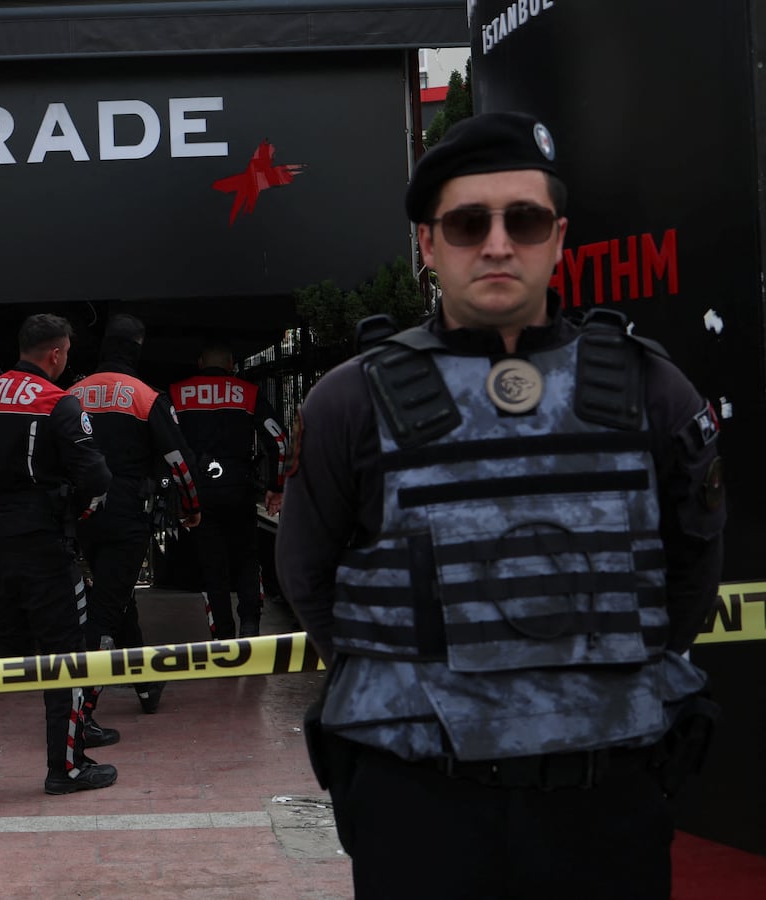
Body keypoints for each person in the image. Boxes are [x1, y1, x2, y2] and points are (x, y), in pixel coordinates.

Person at [276, 112, 725, 900]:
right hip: (420, 801)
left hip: (605, 799)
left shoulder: (652, 390)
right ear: (427, 243)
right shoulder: (351, 402)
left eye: (523, 219)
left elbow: (690, 569)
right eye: (465, 222)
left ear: (558, 237)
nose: (495, 243)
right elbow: (309, 577)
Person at [0, 313, 118, 795]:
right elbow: (96, 479)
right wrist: (76, 513)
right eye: (67, 353)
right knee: (67, 655)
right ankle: (67, 767)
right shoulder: (60, 403)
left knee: (7, 644)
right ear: (55, 353)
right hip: (42, 542)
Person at [69, 313, 201, 715]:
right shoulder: (145, 396)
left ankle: (145, 684)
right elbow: (179, 460)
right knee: (106, 609)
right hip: (128, 513)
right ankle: (80, 711)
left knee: (117, 597)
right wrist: (191, 507)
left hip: (83, 514)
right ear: (137, 348)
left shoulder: (71, 394)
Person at [169, 344, 286, 638]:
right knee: (247, 557)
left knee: (212, 565)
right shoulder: (247, 392)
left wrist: (176, 492)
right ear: (231, 364)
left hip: (199, 491)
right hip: (239, 488)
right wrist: (276, 486)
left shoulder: (176, 393)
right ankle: (250, 624)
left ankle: (222, 634)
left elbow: (166, 445)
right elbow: (280, 442)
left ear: (199, 362)